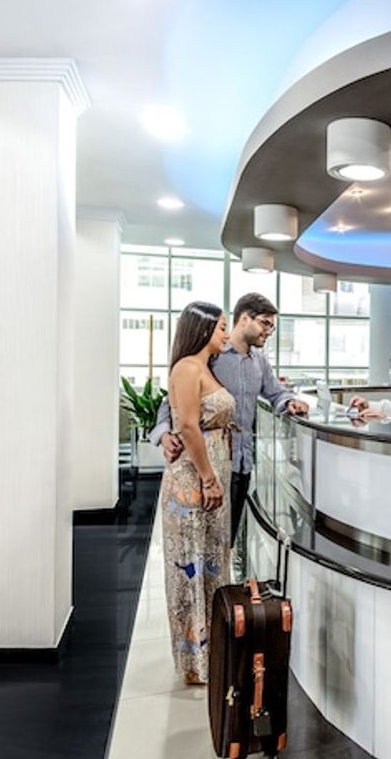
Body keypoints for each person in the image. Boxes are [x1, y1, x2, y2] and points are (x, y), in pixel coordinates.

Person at [149, 293, 308, 548]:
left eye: (272, 326)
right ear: (244, 319)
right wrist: (164, 432)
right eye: (265, 323)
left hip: (243, 465)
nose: (269, 331)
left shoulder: (259, 362)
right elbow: (173, 400)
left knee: (226, 542)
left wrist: (290, 402)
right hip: (208, 465)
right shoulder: (212, 355)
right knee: (201, 543)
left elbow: (276, 393)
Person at [158, 300, 235, 685]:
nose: (226, 334)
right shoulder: (187, 368)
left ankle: (213, 651)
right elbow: (188, 426)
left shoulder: (207, 367)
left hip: (211, 479)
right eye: (222, 327)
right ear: (203, 329)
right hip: (193, 483)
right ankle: (195, 661)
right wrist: (208, 478)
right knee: (190, 567)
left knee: (210, 563)